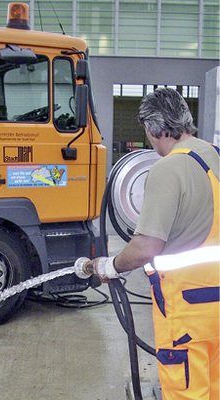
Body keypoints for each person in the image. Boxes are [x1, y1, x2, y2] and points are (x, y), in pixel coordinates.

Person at [93, 87, 220, 400]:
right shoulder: (215, 154)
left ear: (151, 128)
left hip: (187, 309)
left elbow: (145, 248)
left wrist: (110, 265)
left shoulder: (168, 168)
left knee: (187, 393)